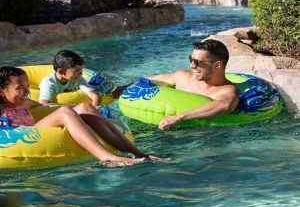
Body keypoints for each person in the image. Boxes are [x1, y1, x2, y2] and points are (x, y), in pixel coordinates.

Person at [0, 66, 161, 167]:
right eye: (20, 88)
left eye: (27, 86)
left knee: (84, 106)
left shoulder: (25, 102)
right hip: (19, 136)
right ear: (2, 91)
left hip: (35, 130)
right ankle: (107, 158)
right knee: (65, 113)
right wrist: (67, 111)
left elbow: (45, 106)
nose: (26, 91)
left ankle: (139, 153)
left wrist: (77, 109)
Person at [150, 39, 239, 130]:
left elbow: (225, 105)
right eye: (191, 59)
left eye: (197, 62)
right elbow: (149, 80)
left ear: (217, 65)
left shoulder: (227, 90)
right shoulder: (182, 77)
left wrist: (179, 117)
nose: (192, 66)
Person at [39, 50, 128, 107]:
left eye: (81, 70)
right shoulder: (49, 83)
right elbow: (44, 104)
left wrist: (94, 112)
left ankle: (131, 85)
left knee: (113, 94)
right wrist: (73, 106)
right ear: (61, 72)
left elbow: (95, 96)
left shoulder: (78, 78)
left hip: (96, 83)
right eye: (76, 71)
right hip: (68, 106)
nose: (81, 73)